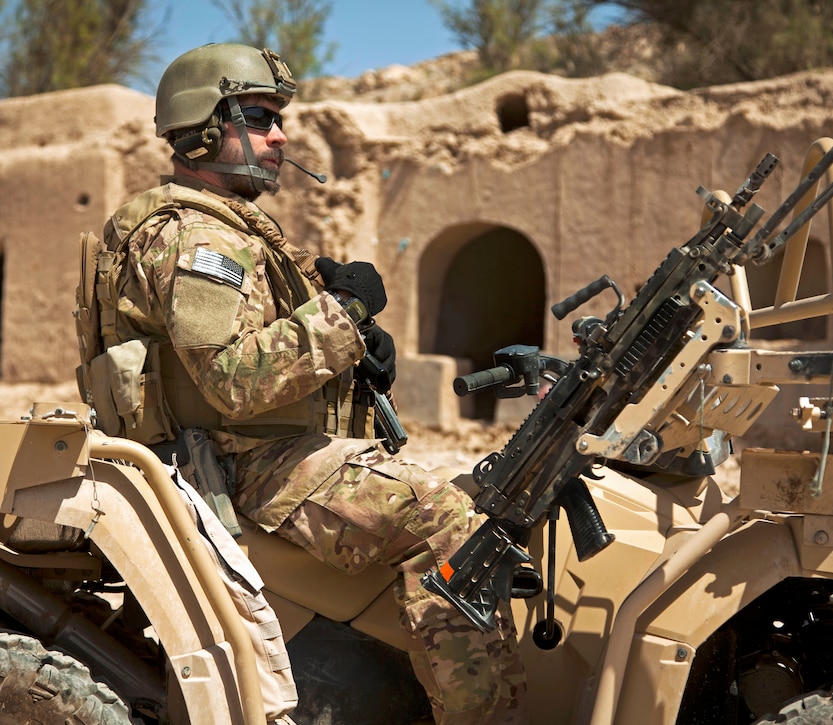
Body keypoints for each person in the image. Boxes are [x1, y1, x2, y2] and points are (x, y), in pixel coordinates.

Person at [91, 43, 528, 724]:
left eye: (278, 121)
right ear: (207, 124)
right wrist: (344, 313)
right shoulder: (196, 240)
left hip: (255, 449)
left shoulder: (221, 228)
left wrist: (355, 351)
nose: (281, 137)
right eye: (261, 118)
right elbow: (233, 380)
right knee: (441, 518)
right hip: (239, 462)